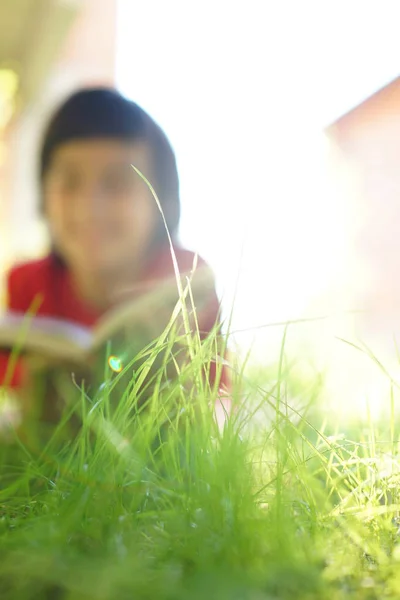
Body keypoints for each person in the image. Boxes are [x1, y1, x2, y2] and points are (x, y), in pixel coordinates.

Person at [0, 87, 229, 427]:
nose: (90, 208)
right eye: (70, 181)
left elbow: (218, 401)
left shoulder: (185, 279)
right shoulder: (28, 283)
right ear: (44, 194)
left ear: (161, 202)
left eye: (117, 183)